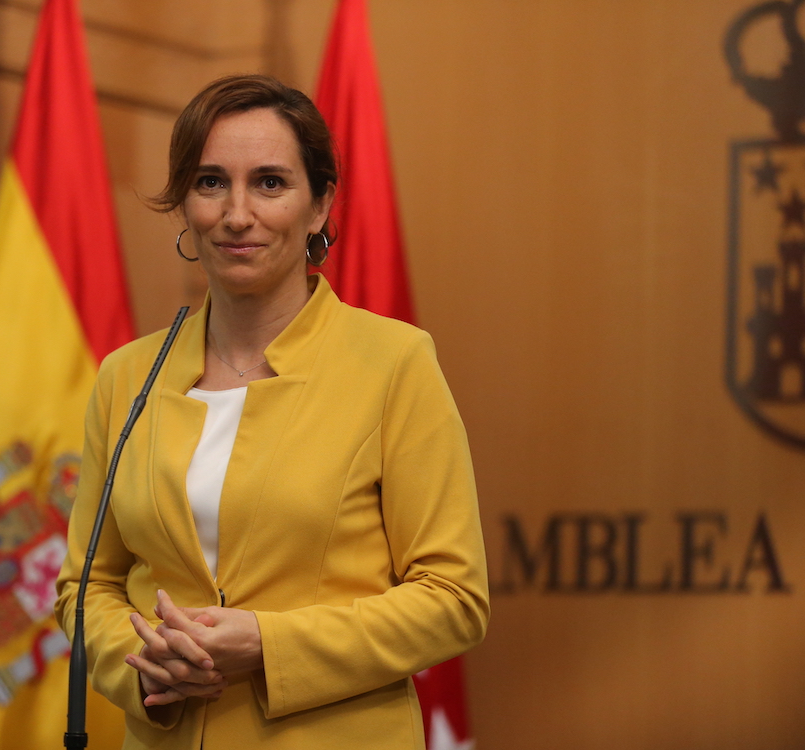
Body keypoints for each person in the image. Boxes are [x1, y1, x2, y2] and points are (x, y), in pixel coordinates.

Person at [55, 74, 489, 750]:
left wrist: (268, 644)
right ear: (183, 205)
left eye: (268, 183)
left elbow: (452, 599)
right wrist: (141, 668)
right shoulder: (126, 377)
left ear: (319, 206)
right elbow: (87, 585)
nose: (235, 213)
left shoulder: (394, 362)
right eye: (208, 182)